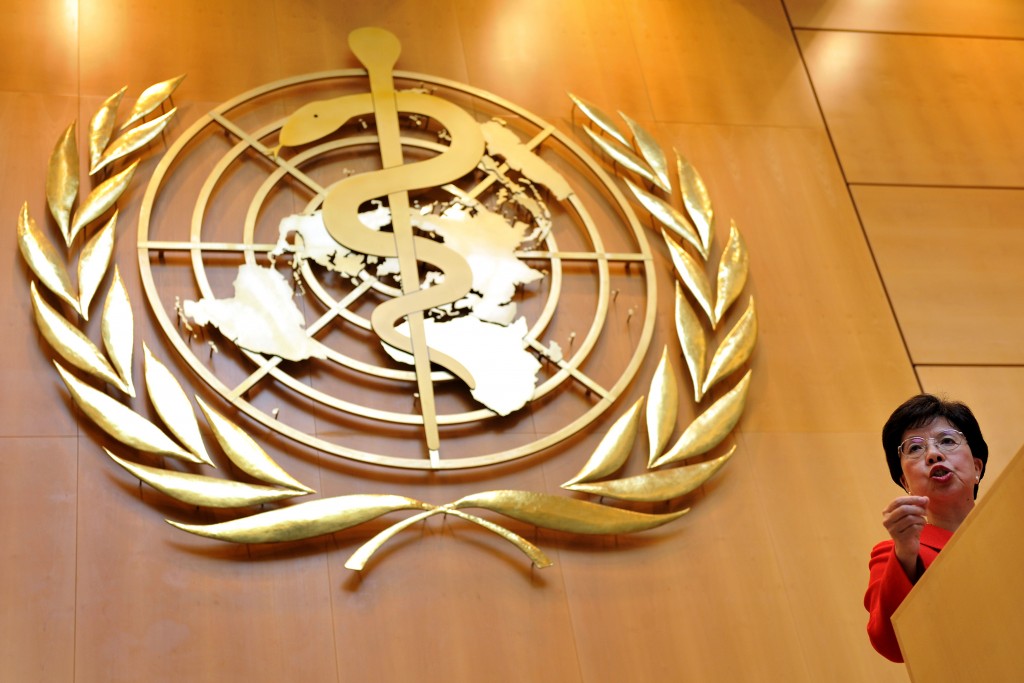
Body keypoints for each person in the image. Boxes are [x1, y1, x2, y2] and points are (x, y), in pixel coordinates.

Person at [864, 394, 987, 663]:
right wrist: (906, 552)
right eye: (915, 448)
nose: (933, 454)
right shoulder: (894, 555)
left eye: (947, 441)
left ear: (977, 467)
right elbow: (893, 646)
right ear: (905, 482)